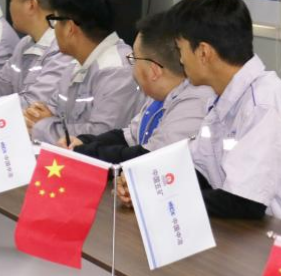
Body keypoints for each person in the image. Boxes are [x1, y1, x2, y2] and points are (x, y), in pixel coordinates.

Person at [119, 0, 281, 239]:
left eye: (180, 50)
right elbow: (197, 168)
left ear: (203, 52)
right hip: (251, 235)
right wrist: (145, 182)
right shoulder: (221, 98)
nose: (180, 60)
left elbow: (242, 202)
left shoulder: (263, 104)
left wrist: (159, 198)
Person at [61, 12, 214, 163]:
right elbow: (130, 135)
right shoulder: (160, 97)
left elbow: (148, 158)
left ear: (154, 71)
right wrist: (85, 141)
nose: (131, 65)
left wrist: (85, 152)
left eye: (134, 58)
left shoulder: (195, 102)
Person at [27, 0, 144, 144]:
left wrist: (42, 126)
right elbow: (50, 112)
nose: (54, 29)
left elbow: (101, 136)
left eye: (55, 21)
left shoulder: (117, 71)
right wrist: (37, 116)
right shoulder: (74, 64)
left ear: (70, 28)